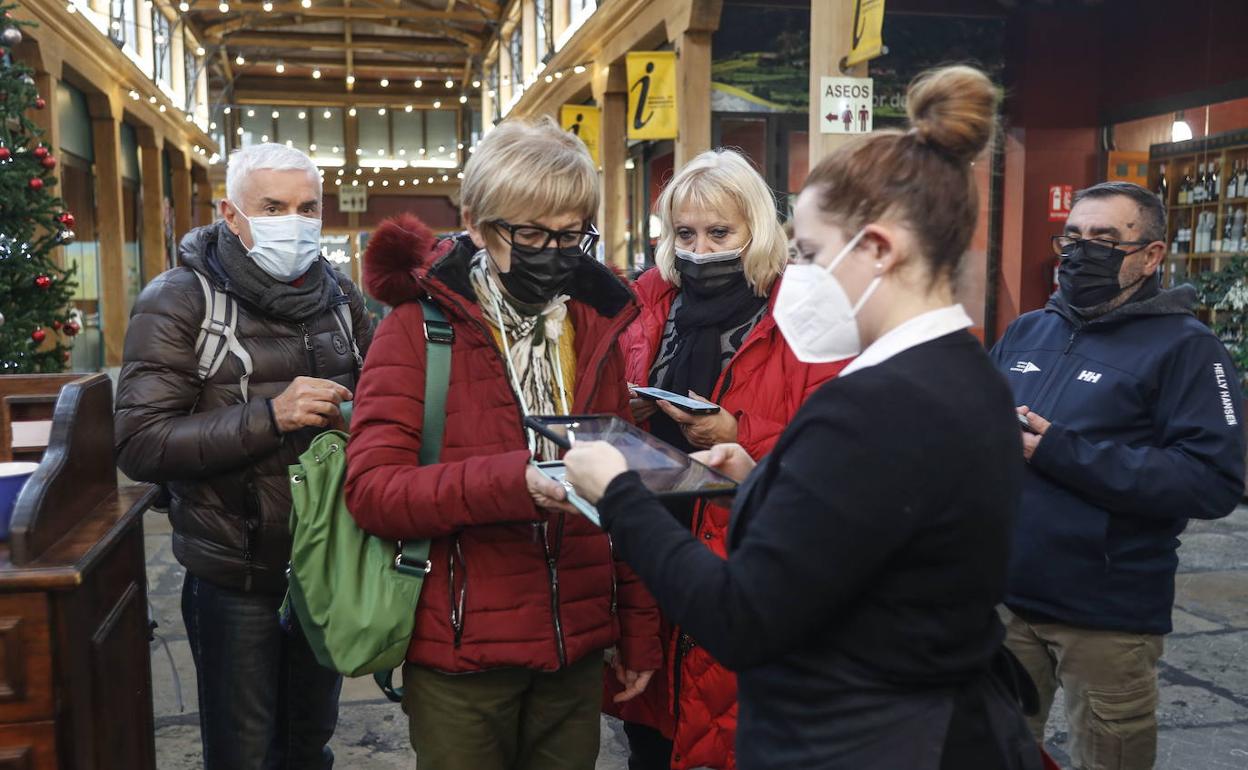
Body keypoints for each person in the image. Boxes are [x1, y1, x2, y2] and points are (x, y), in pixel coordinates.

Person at [564, 65, 1043, 770]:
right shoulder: (967, 374)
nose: (800, 275)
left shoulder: (871, 406)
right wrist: (758, 477)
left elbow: (742, 618)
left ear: (878, 248)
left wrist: (620, 493)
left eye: (812, 254)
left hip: (863, 736)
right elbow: (869, 533)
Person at [343, 115, 662, 770]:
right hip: (462, 657)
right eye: (532, 234)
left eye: (571, 235)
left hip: (573, 651)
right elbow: (372, 492)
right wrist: (512, 482)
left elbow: (620, 490)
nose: (554, 251)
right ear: (479, 224)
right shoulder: (416, 331)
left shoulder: (594, 329)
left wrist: (637, 632)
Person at [115, 143, 374, 769]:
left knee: (308, 744)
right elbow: (140, 442)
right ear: (232, 215)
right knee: (244, 754)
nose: (295, 220)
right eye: (273, 206)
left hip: (324, 566)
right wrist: (269, 417)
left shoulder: (342, 299)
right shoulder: (179, 300)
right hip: (235, 575)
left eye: (307, 207)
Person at [990, 181, 1245, 770]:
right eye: (1073, 238)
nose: (1082, 253)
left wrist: (1060, 450)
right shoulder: (1028, 330)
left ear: (1151, 255)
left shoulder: (1188, 348)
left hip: (1104, 615)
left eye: (1105, 239)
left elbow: (1212, 481)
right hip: (1003, 601)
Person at [617, 148, 848, 770]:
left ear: (757, 230)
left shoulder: (807, 313)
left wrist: (738, 432)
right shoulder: (647, 306)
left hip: (745, 559)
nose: (699, 249)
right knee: (652, 738)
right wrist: (626, 412)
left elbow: (839, 449)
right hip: (648, 555)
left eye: (720, 232)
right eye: (684, 233)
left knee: (725, 732)